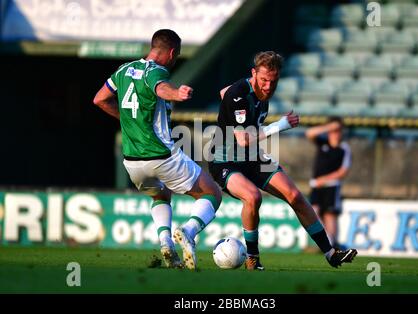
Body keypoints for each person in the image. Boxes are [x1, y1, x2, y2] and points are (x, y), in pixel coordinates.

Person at [208, 51, 357, 270]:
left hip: (252, 158)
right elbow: (243, 139)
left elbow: (223, 93)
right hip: (224, 160)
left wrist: (227, 101)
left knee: (295, 196)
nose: (268, 86)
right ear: (254, 73)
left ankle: (331, 253)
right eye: (264, 80)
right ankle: (252, 258)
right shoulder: (239, 94)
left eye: (273, 81)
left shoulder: (252, 95)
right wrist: (280, 126)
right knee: (252, 197)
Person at [93, 29, 221, 270]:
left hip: (132, 161)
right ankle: (189, 232)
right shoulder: (157, 71)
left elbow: (99, 99)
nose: (174, 61)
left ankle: (165, 243)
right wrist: (177, 93)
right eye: (177, 55)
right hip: (160, 155)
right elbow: (159, 87)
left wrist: (129, 121)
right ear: (171, 53)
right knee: (211, 193)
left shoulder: (123, 70)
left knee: (160, 194)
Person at [305, 117, 351, 250]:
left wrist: (324, 180)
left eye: (337, 130)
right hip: (316, 186)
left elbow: (343, 171)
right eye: (333, 130)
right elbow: (309, 133)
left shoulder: (344, 148)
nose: (335, 133)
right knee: (313, 212)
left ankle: (332, 245)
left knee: (330, 215)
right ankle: (326, 241)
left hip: (332, 186)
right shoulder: (322, 142)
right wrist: (329, 126)